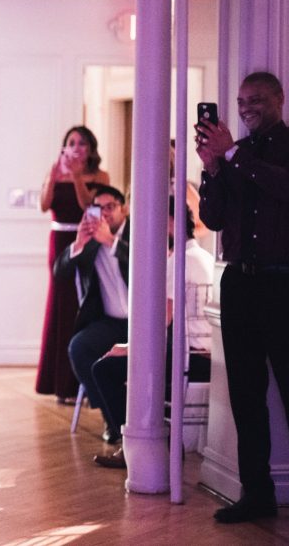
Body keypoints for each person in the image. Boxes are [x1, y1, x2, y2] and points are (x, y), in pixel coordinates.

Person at [196, 71, 289, 529]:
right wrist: (213, 168)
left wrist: (232, 154)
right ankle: (257, 495)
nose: (246, 107)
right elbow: (213, 219)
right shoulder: (234, 155)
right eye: (240, 101)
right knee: (245, 395)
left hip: (286, 285)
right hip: (240, 283)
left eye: (255, 98)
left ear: (279, 97)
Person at [90, 200, 213, 469]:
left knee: (104, 369)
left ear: (171, 222)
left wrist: (130, 348)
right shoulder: (205, 258)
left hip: (186, 360)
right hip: (207, 357)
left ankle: (134, 445)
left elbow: (163, 322)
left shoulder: (177, 262)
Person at [37, 126, 110, 402]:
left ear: (90, 149)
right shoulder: (54, 170)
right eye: (71, 142)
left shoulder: (99, 176)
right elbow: (44, 206)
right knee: (58, 304)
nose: (76, 147)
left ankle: (78, 383)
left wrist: (78, 177)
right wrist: (53, 179)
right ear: (64, 147)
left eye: (82, 143)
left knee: (80, 303)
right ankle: (55, 383)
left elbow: (87, 208)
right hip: (57, 241)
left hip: (84, 239)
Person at [54, 185, 129, 445]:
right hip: (108, 322)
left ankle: (125, 422)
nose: (105, 213)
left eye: (110, 207)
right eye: (99, 208)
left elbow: (146, 264)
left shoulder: (136, 235)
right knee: (79, 347)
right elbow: (60, 273)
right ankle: (113, 420)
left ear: (124, 209)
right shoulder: (90, 241)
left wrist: (111, 240)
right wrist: (78, 243)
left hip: (141, 323)